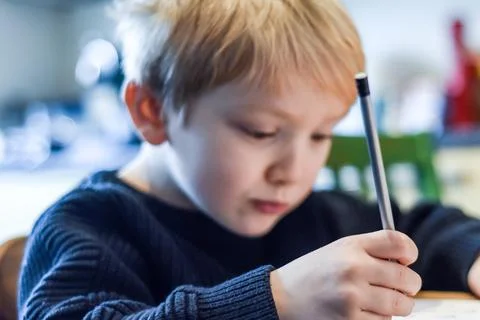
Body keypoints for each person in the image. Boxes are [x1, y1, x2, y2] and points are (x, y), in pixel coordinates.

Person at [18, 0, 480, 319]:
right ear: (152, 111)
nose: (295, 171)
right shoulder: (87, 229)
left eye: (320, 134)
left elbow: (423, 226)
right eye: (260, 132)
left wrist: (472, 255)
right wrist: (276, 301)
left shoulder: (313, 215)